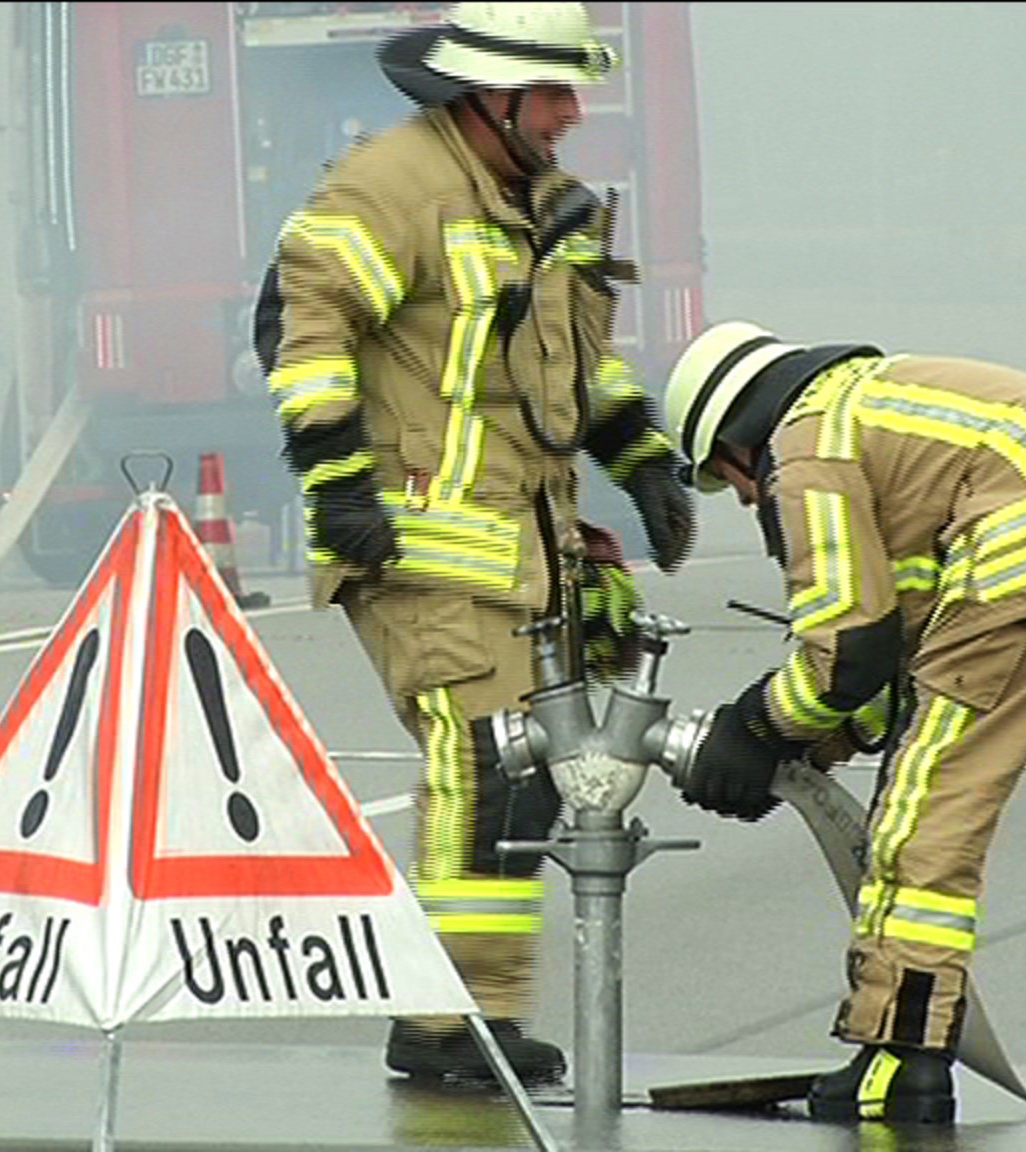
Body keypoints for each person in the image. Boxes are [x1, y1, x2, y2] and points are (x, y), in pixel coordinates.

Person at [252, 3, 696, 1086]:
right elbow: (306, 335)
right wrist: (337, 483)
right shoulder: (388, 188)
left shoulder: (542, 201)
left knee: (530, 780)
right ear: (488, 93)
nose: (572, 113)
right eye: (552, 94)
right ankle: (443, 1023)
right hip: (417, 543)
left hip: (524, 547)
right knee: (483, 769)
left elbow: (570, 363)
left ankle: (473, 1013)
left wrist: (639, 454)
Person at [663, 320, 1026, 1125]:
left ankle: (901, 1060)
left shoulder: (808, 442)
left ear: (737, 439)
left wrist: (751, 731)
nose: (746, 499)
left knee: (929, 808)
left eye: (729, 480)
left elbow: (845, 650)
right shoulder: (886, 407)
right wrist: (811, 747)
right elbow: (900, 665)